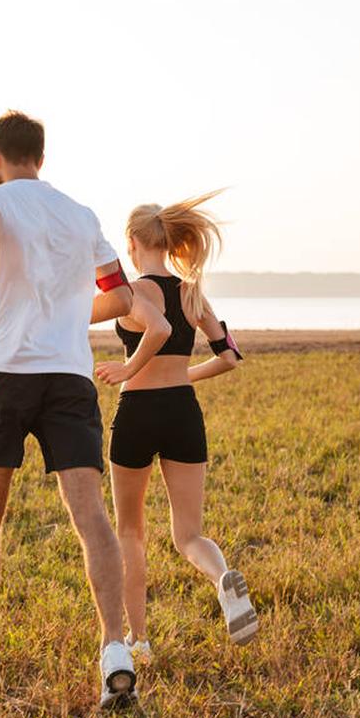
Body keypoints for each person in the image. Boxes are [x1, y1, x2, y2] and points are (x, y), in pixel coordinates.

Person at [0, 111, 170, 708]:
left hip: (7, 375)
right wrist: (69, 312)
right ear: (41, 158)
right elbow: (121, 297)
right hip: (69, 378)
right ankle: (114, 651)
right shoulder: (81, 216)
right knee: (90, 515)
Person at [92, 191, 258, 666]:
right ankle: (222, 577)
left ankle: (139, 642)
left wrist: (128, 370)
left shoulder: (130, 293)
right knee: (189, 535)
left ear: (131, 243)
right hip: (183, 412)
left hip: (138, 413)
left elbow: (156, 330)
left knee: (130, 533)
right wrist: (183, 376)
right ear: (167, 241)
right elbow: (229, 356)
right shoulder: (192, 292)